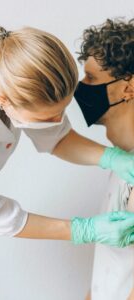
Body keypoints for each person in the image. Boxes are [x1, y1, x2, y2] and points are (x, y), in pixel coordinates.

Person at [0, 24, 134, 300]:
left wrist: (112, 158)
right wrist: (83, 229)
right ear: (4, 101)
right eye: (49, 118)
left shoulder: (9, 68)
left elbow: (57, 138)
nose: (58, 123)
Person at [74, 18, 134, 300]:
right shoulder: (120, 162)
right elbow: (111, 266)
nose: (81, 88)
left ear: (128, 88)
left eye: (91, 78)